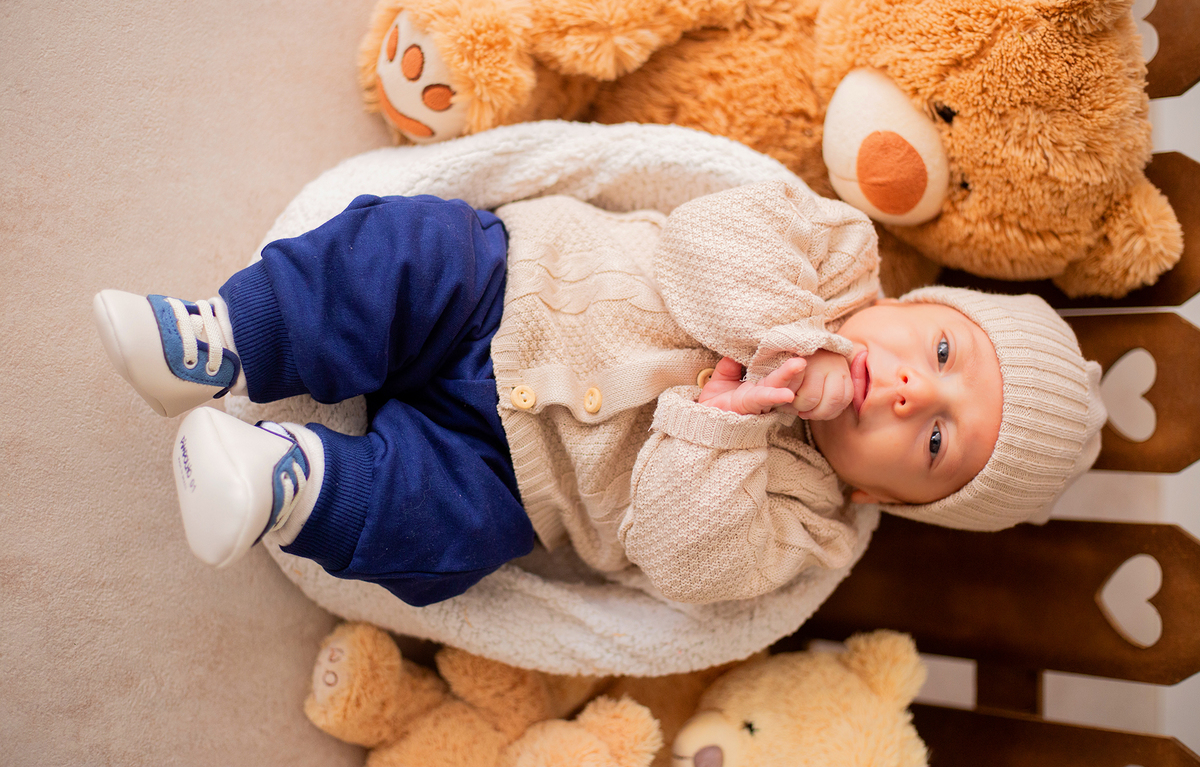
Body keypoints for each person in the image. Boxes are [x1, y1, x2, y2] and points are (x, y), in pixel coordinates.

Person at [93, 181, 1105, 606]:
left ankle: (285, 479)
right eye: (941, 350)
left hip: (512, 475)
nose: (913, 392)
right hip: (508, 288)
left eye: (937, 442)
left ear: (889, 498)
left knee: (442, 541)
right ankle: (225, 341)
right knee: (400, 250)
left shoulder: (810, 524)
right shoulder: (835, 256)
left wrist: (720, 431)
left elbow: (683, 558)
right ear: (919, 303)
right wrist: (794, 339)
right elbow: (704, 237)